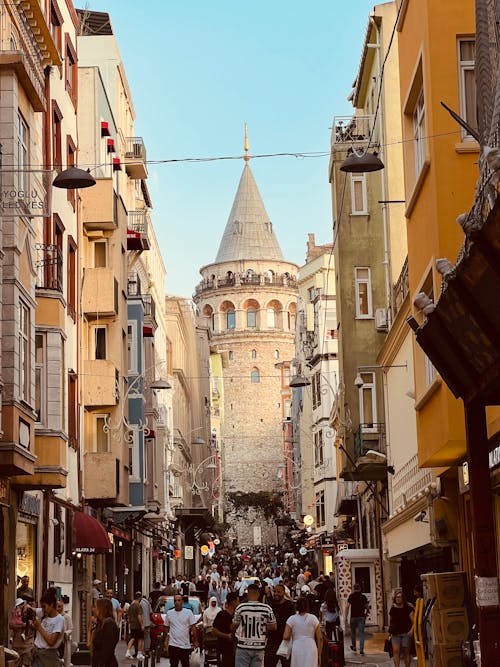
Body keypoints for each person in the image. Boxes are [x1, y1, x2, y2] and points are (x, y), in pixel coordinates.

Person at [231, 584, 277, 667]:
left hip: (243, 646)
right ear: (258, 594)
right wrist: (261, 625)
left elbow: (234, 626)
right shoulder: (267, 608)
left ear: (248, 593)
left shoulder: (241, 607)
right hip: (259, 647)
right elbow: (274, 627)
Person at [283, 597, 322, 667]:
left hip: (297, 647)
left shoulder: (291, 619)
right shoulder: (313, 618)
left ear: (296, 606)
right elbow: (320, 638)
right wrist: (319, 655)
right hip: (311, 647)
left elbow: (286, 636)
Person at [265, 584, 295, 667]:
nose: (276, 593)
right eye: (274, 591)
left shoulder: (289, 606)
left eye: (279, 592)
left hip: (285, 642)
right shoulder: (270, 605)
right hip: (271, 642)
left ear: (284, 593)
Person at [32, 590, 65, 667]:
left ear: (51, 605)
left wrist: (39, 627)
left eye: (44, 606)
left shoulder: (59, 619)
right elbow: (32, 609)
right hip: (37, 654)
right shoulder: (43, 613)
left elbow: (51, 641)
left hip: (48, 656)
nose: (42, 609)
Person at [164, 593, 198, 667]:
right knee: (173, 664)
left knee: (185, 664)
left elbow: (193, 627)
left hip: (185, 645)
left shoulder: (188, 613)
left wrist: (195, 641)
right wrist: (165, 640)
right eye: (175, 601)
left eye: (179, 600)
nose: (177, 602)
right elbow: (166, 627)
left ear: (182, 602)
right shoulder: (169, 613)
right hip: (173, 644)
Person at [212, 592, 239, 667]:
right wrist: (226, 636)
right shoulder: (222, 614)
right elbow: (214, 631)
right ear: (233, 602)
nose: (239, 603)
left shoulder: (237, 616)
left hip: (234, 650)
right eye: (238, 601)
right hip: (223, 649)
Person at [388, 590, 414, 667]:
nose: (398, 599)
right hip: (395, 634)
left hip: (406, 633)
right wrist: (389, 632)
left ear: (403, 598)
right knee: (395, 652)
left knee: (406, 652)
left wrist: (411, 630)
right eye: (396, 597)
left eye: (399, 597)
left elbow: (414, 621)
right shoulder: (393, 608)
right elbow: (391, 621)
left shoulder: (408, 608)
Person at [91, 598, 119, 667]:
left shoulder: (109, 623)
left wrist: (101, 663)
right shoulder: (100, 623)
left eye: (95, 607)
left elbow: (107, 648)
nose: (93, 609)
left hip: (106, 663)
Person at [345, 583, 368, 656]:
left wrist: (346, 616)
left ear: (354, 589)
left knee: (353, 632)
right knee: (361, 633)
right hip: (361, 617)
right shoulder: (363, 597)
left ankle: (354, 646)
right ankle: (361, 649)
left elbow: (347, 606)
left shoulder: (351, 596)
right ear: (360, 588)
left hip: (353, 617)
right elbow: (367, 607)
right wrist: (366, 615)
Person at [10, 598, 34, 667]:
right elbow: (11, 625)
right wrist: (21, 626)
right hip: (17, 645)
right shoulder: (17, 615)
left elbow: (34, 626)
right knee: (17, 664)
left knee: (27, 664)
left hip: (27, 646)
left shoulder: (31, 617)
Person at [125, 591, 145, 660]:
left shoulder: (131, 605)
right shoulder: (138, 605)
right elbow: (139, 616)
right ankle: (139, 653)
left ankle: (128, 652)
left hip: (132, 624)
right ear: (140, 597)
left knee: (132, 638)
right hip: (137, 625)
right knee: (140, 638)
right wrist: (142, 625)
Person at [56, 600, 74, 667]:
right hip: (55, 639)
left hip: (64, 639)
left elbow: (71, 628)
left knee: (64, 657)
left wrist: (66, 633)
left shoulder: (67, 617)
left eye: (59, 606)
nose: (58, 608)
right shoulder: (54, 616)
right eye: (56, 606)